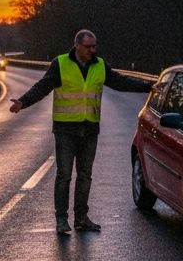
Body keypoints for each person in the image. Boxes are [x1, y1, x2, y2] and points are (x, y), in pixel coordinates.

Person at [10, 29, 152, 235]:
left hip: (89, 129)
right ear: (77, 45)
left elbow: (121, 82)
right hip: (65, 129)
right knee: (64, 175)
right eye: (88, 47)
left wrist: (149, 87)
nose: (92, 50)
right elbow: (42, 87)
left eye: (94, 46)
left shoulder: (100, 65)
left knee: (85, 175)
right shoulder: (60, 64)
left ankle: (81, 218)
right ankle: (61, 219)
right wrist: (23, 102)